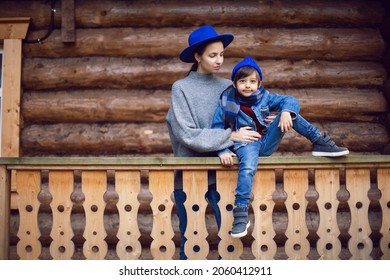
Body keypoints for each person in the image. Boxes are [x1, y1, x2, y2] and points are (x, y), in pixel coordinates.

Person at [211, 56, 349, 238]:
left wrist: (284, 112)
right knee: (248, 168)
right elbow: (216, 129)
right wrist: (223, 150)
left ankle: (319, 142)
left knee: (290, 114)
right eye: (242, 81)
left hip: (266, 141)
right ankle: (241, 214)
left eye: (252, 81)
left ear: (259, 84)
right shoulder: (225, 102)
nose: (247, 85)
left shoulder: (265, 98)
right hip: (246, 145)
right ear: (235, 83)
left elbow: (290, 100)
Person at [166, 26, 261, 259]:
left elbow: (244, 118)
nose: (219, 60)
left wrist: (266, 116)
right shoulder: (181, 88)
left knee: (228, 241)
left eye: (221, 54)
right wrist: (227, 137)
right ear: (197, 56)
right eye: (212, 55)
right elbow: (186, 134)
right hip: (190, 174)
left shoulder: (228, 87)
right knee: (190, 240)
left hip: (225, 170)